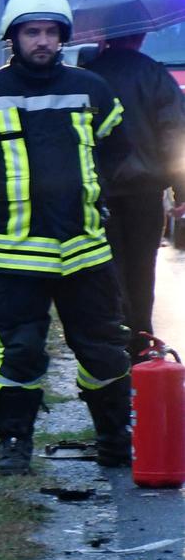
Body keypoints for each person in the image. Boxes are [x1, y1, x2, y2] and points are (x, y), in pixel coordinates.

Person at [0, 0, 132, 475]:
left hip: (85, 253)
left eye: (49, 32)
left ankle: (113, 438)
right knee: (18, 352)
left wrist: (88, 189)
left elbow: (118, 150)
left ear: (62, 36)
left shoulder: (92, 88)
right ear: (13, 38)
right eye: (31, 32)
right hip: (14, 257)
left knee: (103, 346)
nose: (41, 41)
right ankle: (15, 446)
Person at [82, 28, 185, 358]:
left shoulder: (87, 77)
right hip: (146, 190)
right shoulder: (154, 74)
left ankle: (117, 338)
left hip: (100, 191)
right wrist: (181, 190)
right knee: (143, 266)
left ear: (104, 37)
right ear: (139, 36)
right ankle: (142, 340)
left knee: (110, 267)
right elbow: (174, 134)